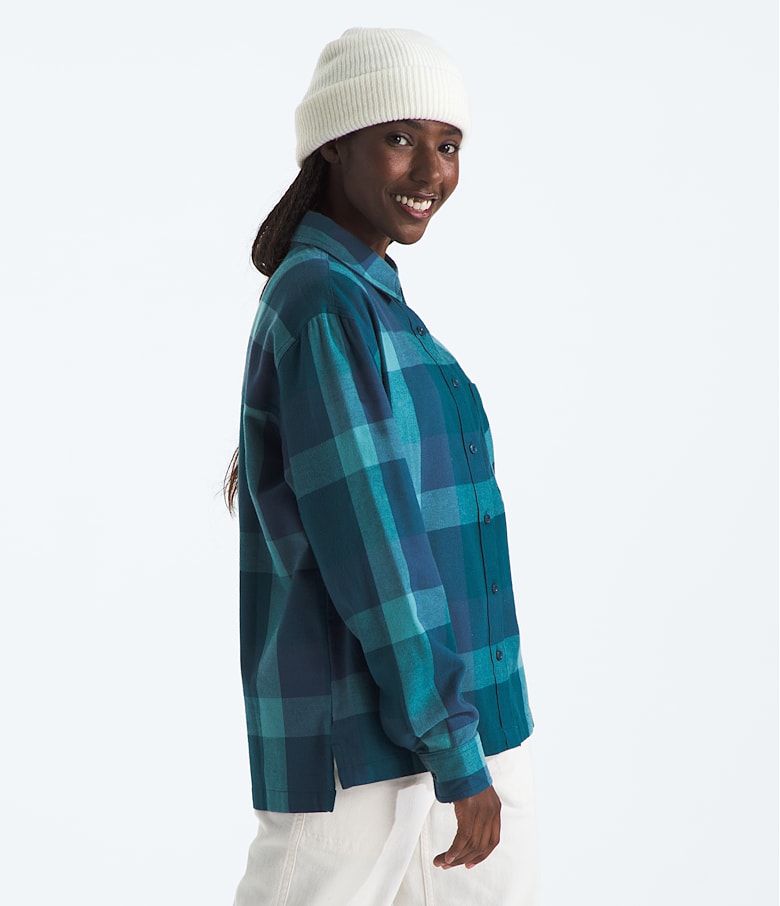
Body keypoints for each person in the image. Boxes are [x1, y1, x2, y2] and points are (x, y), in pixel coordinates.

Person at [226, 27, 538, 906]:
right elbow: (378, 551)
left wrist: (464, 737)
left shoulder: (367, 297)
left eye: (450, 145)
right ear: (335, 144)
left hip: (446, 721)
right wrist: (455, 748)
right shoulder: (325, 303)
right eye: (401, 138)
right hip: (371, 745)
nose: (431, 171)